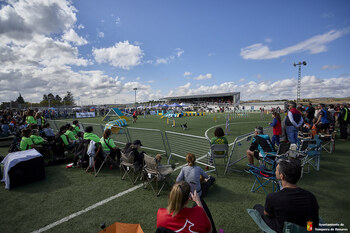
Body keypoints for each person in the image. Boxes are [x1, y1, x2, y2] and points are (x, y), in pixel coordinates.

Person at [253, 159, 319, 233]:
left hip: (283, 230)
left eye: (276, 170)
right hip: (305, 230)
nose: (275, 171)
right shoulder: (311, 196)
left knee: (257, 207)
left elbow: (267, 214)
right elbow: (314, 221)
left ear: (282, 176)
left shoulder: (273, 197)